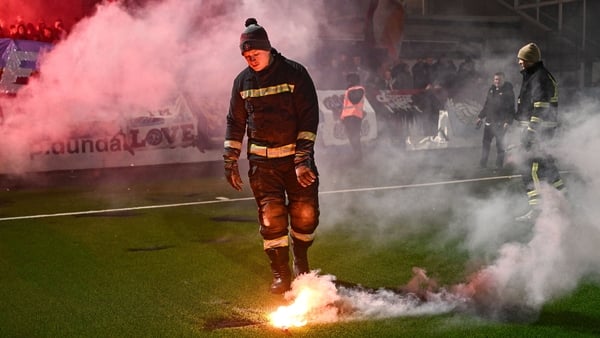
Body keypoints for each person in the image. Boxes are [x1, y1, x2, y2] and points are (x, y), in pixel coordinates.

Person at [223, 18, 320, 294]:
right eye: (246, 55)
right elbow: (235, 122)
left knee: (305, 215)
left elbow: (309, 118)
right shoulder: (242, 82)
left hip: (294, 163)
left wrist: (303, 159)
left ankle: (301, 259)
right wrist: (230, 159)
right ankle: (281, 273)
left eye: (254, 53)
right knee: (271, 218)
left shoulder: (295, 74)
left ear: (267, 48)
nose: (250, 59)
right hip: (263, 166)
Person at [514, 42, 565, 221]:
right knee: (548, 168)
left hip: (540, 132)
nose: (519, 61)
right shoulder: (534, 75)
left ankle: (537, 210)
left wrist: (530, 131)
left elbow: (540, 107)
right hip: (541, 131)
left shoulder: (539, 77)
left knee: (532, 168)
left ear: (530, 60)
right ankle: (565, 200)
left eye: (522, 59)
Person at [476, 72, 515, 169]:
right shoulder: (491, 90)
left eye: (499, 79)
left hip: (500, 124)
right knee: (485, 144)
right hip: (489, 122)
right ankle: (483, 164)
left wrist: (508, 121)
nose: (497, 81)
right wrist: (480, 117)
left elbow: (511, 108)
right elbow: (487, 106)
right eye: (496, 79)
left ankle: (499, 165)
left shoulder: (508, 91)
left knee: (500, 145)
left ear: (504, 80)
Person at [340, 72, 365, 161]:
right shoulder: (350, 90)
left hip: (354, 117)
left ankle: (358, 157)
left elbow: (354, 100)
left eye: (350, 80)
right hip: (349, 117)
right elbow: (346, 105)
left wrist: (350, 90)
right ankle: (356, 156)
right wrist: (342, 117)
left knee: (355, 137)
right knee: (352, 137)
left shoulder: (359, 89)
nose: (348, 82)